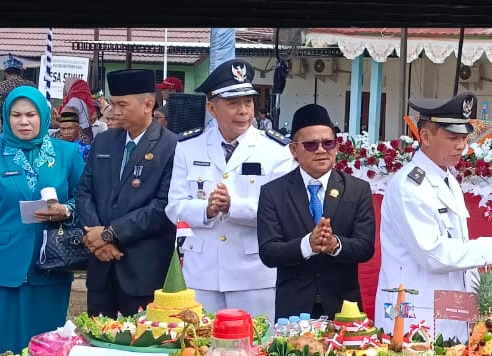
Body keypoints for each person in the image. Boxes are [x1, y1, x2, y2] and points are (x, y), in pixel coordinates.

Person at [376, 93, 492, 341]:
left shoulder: (446, 178)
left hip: (446, 309)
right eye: (452, 138)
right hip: (413, 313)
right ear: (425, 137)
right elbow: (433, 255)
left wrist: (477, 308)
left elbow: (460, 243)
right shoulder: (410, 186)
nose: (461, 146)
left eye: (464, 138)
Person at [166, 59, 295, 317]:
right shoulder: (189, 146)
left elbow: (282, 212)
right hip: (201, 274)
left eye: (248, 102)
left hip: (253, 274)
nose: (243, 111)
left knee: (253, 339)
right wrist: (207, 210)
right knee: (200, 338)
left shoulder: (276, 150)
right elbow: (174, 207)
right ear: (212, 108)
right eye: (233, 103)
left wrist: (232, 207)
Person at [0, 86, 85, 356]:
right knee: (0, 347)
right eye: (16, 115)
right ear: (7, 117)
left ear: (43, 116)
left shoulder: (67, 153)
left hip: (53, 262)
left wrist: (66, 210)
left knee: (46, 348)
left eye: (31, 115)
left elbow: (85, 199)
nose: (23, 121)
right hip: (1, 265)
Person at [257, 103, 374, 320]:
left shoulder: (357, 189)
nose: (321, 150)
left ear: (336, 147)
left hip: (343, 308)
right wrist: (306, 245)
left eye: (328, 143)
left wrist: (335, 245)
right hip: (293, 310)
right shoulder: (273, 192)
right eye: (311, 145)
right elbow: (268, 252)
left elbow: (365, 247)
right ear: (294, 150)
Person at [77, 69, 177, 316]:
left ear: (147, 105)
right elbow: (84, 192)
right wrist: (97, 239)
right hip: (101, 266)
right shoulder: (104, 141)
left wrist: (110, 234)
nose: (114, 111)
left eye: (122, 105)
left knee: (141, 338)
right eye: (113, 104)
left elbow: (163, 206)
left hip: (143, 270)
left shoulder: (171, 145)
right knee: (98, 336)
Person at [61, 77, 100, 144]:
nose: (64, 89)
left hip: (79, 133)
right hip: (86, 130)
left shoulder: (74, 100)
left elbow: (67, 119)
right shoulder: (81, 99)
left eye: (65, 87)